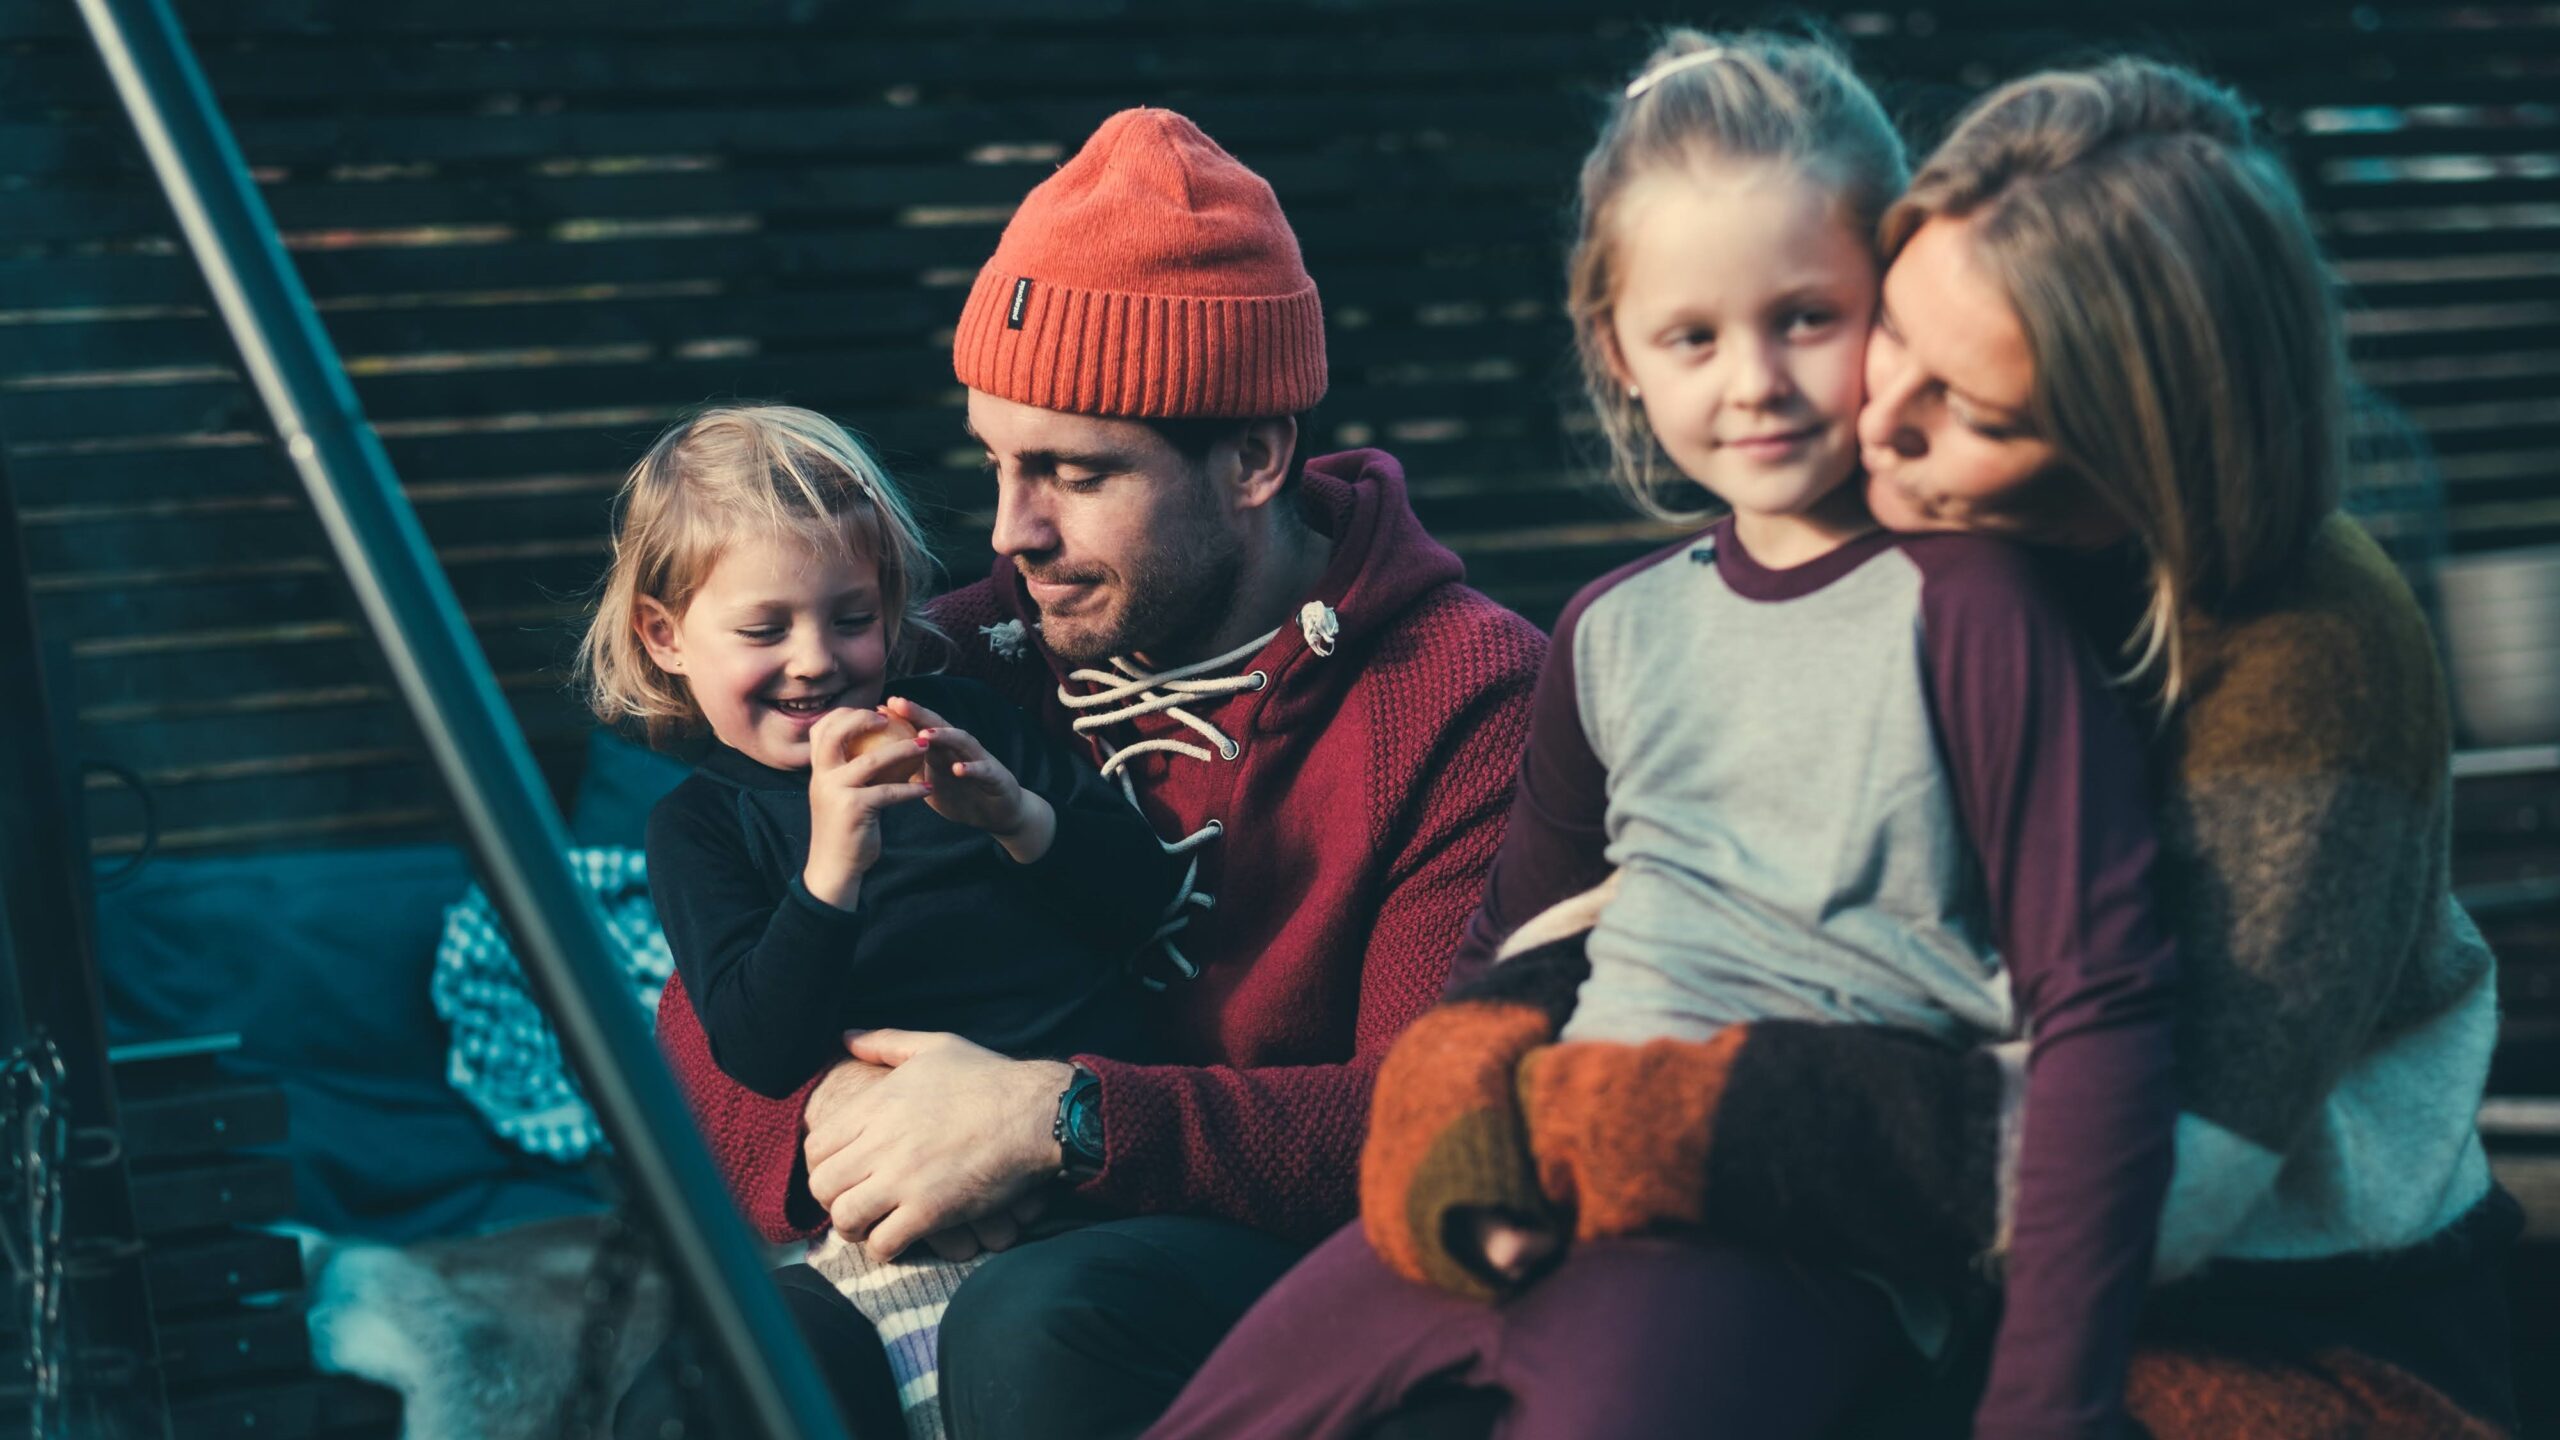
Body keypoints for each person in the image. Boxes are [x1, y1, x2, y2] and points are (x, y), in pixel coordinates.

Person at [1197, 53, 2517, 1440]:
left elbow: (2164, 1166)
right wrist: (1471, 1082)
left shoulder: (2299, 648)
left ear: (2142, 438)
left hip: (2267, 1314)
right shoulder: (1799, 586)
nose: (1874, 425)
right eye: (1899, 340)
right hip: (1921, 1246)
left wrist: (1603, 1113)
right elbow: (1631, 901)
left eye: (1968, 403)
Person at [640, 109, 1549, 1439]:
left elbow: (1432, 1121)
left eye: (1074, 474)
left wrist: (1061, 1122)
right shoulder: (964, 658)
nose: (1014, 532)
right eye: (1000, 463)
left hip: (1291, 1261)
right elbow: (702, 1006)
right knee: (711, 1372)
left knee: (1047, 1324)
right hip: (993, 1238)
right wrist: (845, 1118)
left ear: (1251, 457)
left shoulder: (1461, 698)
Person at [578, 404, 1186, 1437]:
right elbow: (758, 1046)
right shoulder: (702, 829)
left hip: (1082, 1180)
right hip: (896, 1222)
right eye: (765, 629)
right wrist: (828, 873)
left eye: (851, 617)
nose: (816, 660)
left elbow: (1139, 904)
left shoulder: (971, 726)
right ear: (665, 636)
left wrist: (1019, 816)